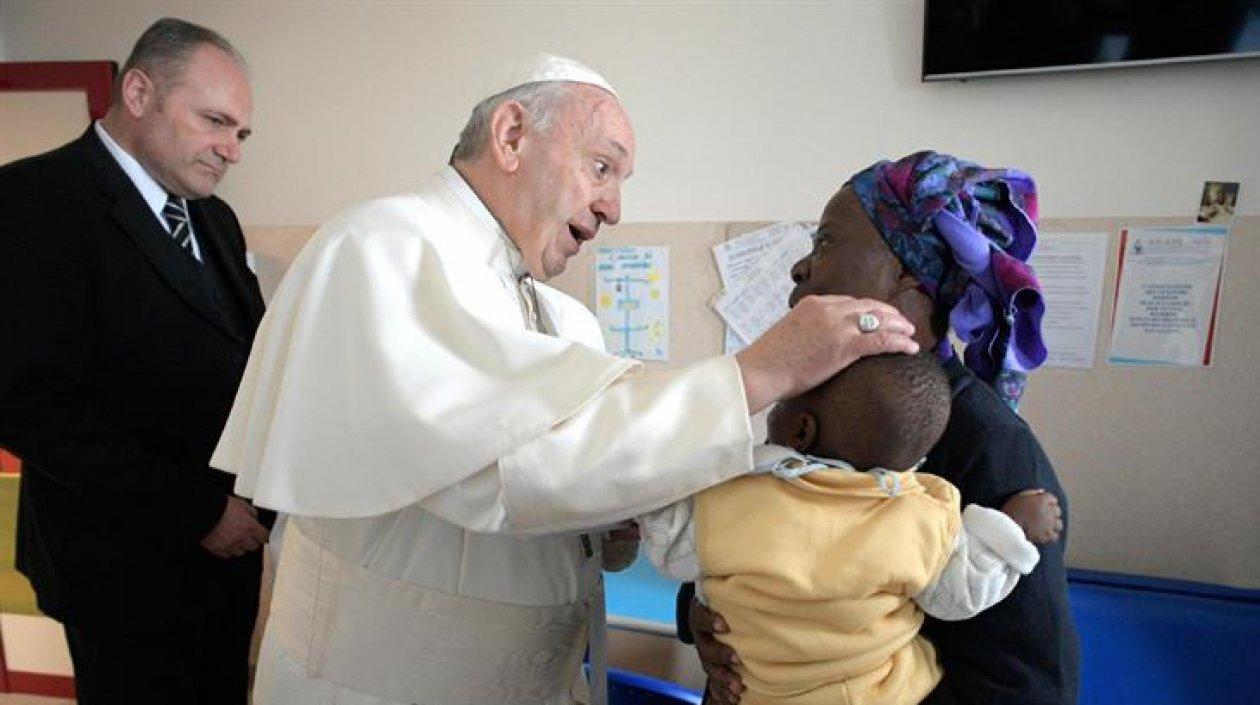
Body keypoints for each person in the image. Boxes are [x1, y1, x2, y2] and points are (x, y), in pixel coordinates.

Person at [208, 54, 919, 705]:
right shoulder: (382, 244)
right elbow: (501, 469)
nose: (614, 207)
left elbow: (577, 479)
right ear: (512, 135)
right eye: (602, 168)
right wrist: (759, 371)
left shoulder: (565, 317)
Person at [682, 151, 1081, 705]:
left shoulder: (989, 447)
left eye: (825, 244)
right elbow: (749, 536)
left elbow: (1029, 688)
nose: (799, 268)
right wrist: (703, 616)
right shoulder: (807, 397)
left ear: (908, 283)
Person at [0, 18, 270, 705]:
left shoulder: (214, 218)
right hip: (121, 569)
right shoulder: (32, 201)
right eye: (215, 121)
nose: (231, 150)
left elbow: (248, 356)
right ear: (141, 91)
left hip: (227, 556)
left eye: (241, 133)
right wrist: (199, 511)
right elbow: (29, 404)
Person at [641, 352, 1061, 705]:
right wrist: (1010, 529)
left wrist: (667, 459)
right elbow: (962, 594)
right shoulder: (920, 518)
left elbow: (668, 540)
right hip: (880, 696)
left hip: (759, 694)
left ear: (800, 429)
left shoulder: (727, 498)